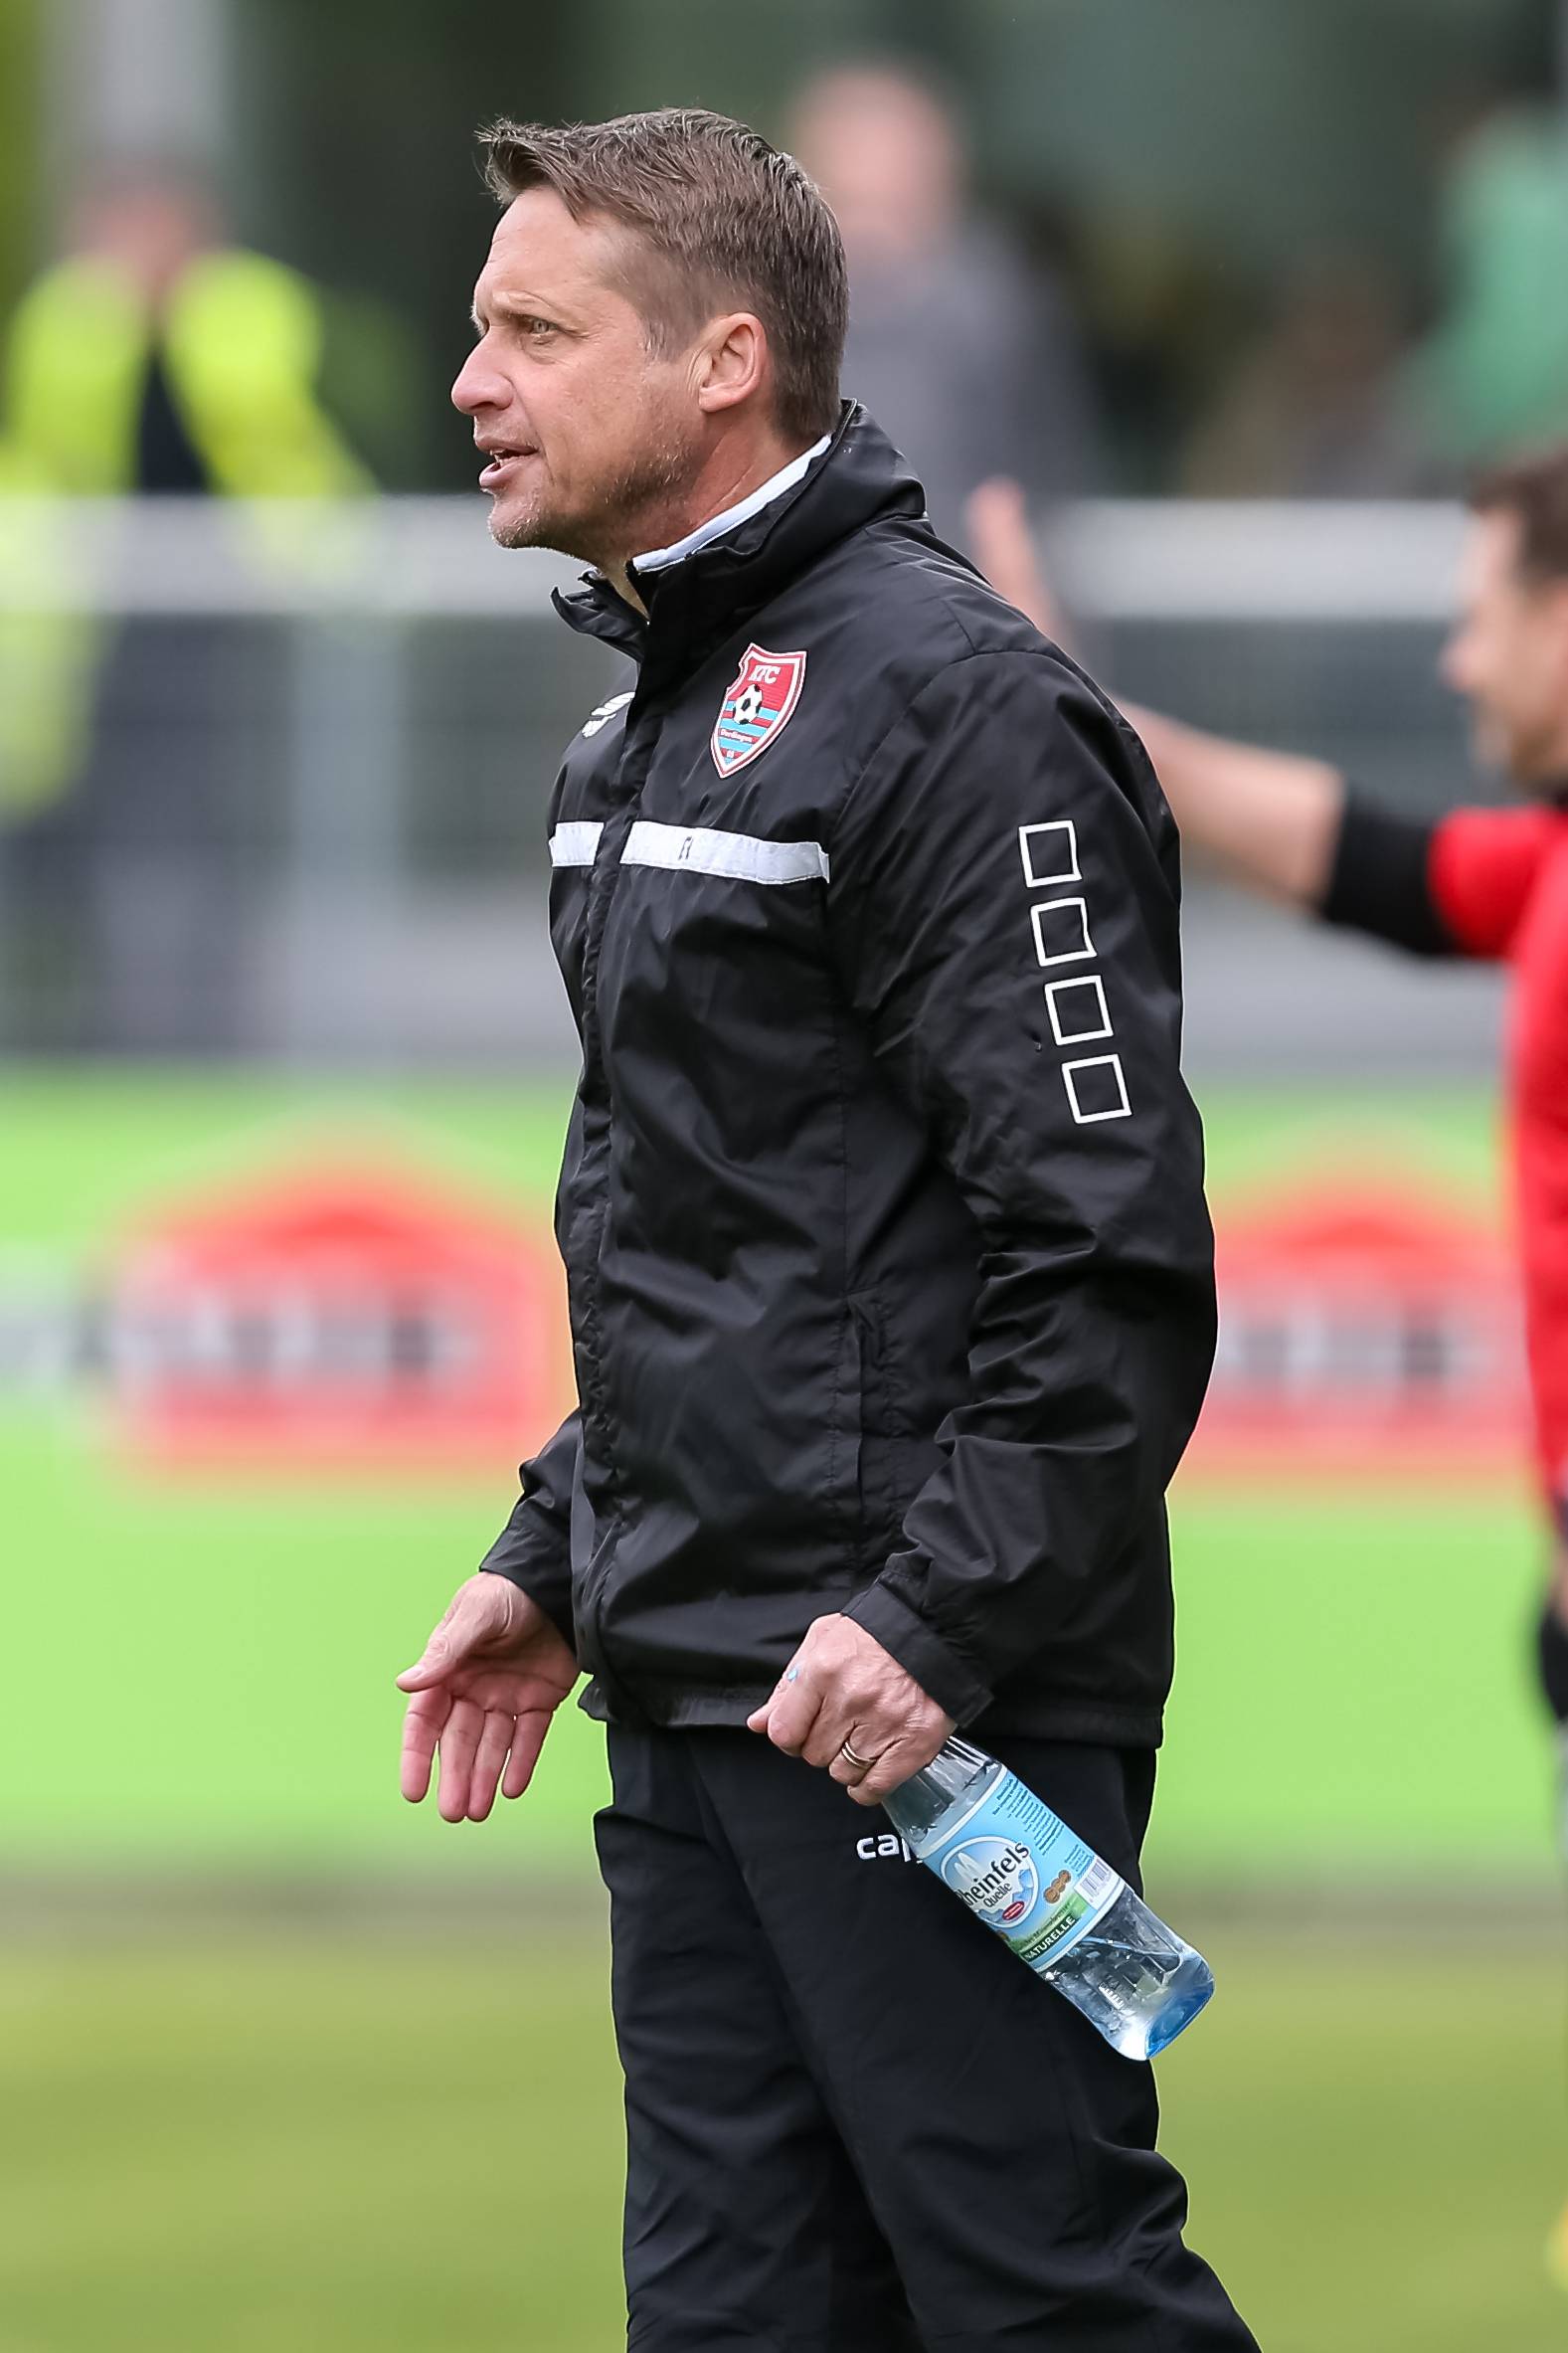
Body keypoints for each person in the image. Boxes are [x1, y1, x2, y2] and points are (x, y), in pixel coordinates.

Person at [397, 108, 1257, 2352]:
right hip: (694, 1685)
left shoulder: (959, 709)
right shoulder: (637, 731)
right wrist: (558, 1547)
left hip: (923, 1713)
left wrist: (931, 1621)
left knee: (1042, 2296)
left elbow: (1106, 1255)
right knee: (734, 2321)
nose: (470, 382)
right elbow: (705, 1234)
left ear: (723, 362)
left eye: (531, 331)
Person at [968, 446, 1568, 2286]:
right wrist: (1079, 711)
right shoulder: (1545, 864)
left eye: (1482, 614)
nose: (1458, 660)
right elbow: (1351, 855)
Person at [0, 157, 370, 1051]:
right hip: (90, 624)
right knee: (75, 826)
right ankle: (82, 1021)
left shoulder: (250, 310)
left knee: (216, 828)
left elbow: (267, 437)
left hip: (233, 621)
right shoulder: (67, 321)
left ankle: (208, 1026)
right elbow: (49, 455)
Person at [786, 62, 1100, 540]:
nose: (870, 238)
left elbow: (1050, 483)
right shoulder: (764, 314)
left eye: (892, 209)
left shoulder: (995, 315)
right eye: (848, 204)